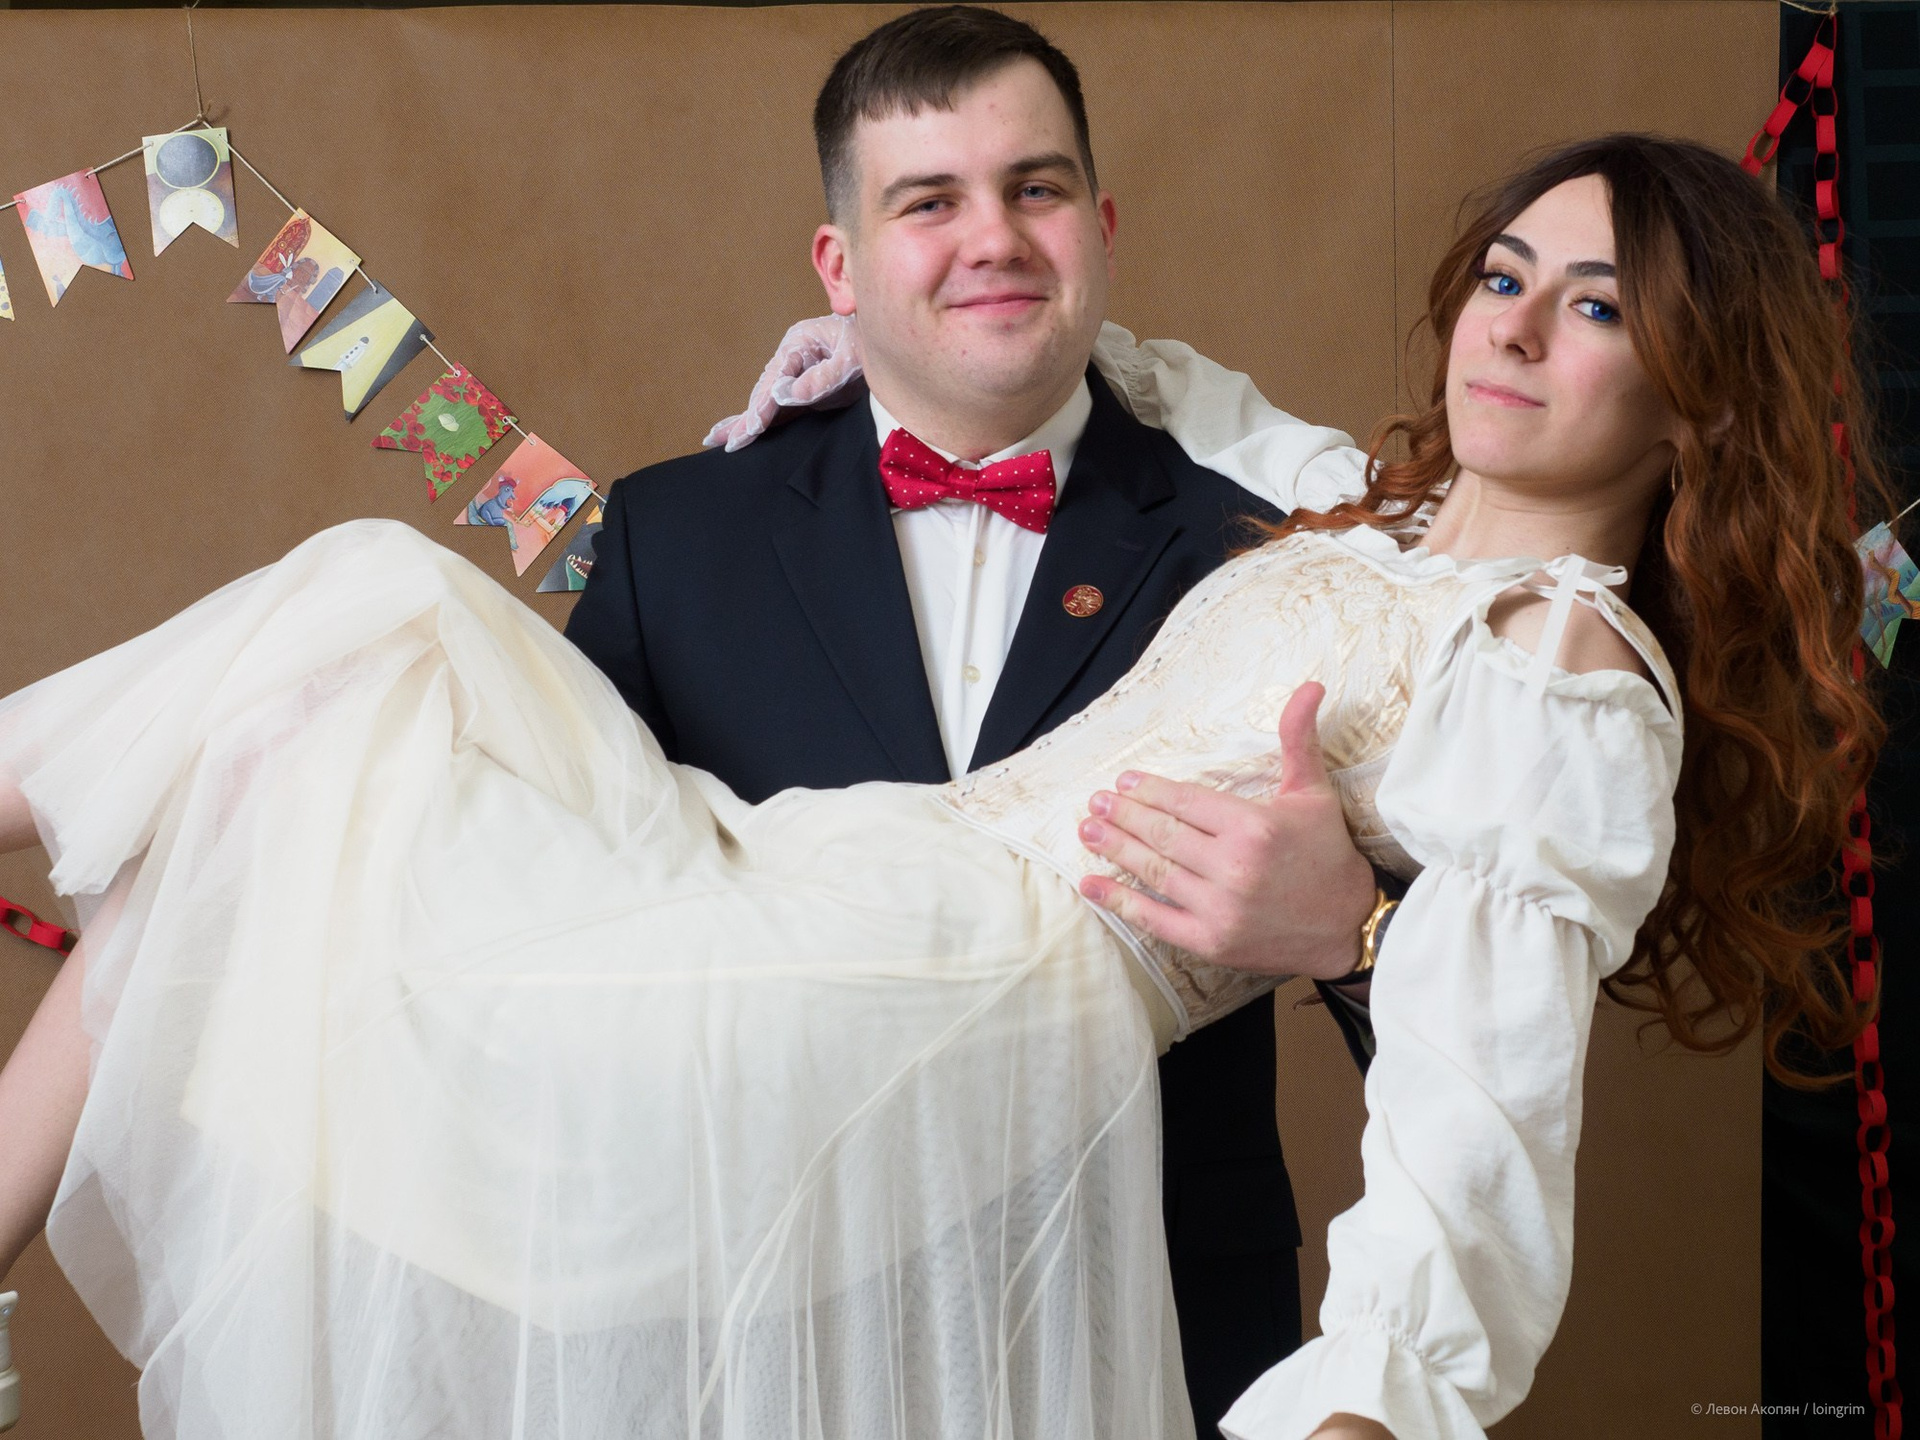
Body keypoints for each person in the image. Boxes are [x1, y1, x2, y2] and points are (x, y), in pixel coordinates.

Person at [0, 127, 1880, 1440]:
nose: (1517, 330)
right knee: (283, 740)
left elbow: (1487, 1092)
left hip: (953, 1001)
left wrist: (1372, 1399)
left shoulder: (1562, 672)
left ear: (1698, 393)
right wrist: (896, 331)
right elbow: (1175, 386)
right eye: (1505, 277)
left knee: (356, 633)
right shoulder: (1365, 514)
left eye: (1598, 309)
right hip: (848, 876)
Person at [562, 12, 1388, 1434]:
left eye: (1035, 187)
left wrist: (1354, 938)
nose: (992, 238)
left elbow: (1483, 1019)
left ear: (1102, 230)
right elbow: (562, 956)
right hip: (772, 1335)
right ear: (840, 266)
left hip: (1165, 1324)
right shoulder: (670, 541)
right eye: (928, 201)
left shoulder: (1273, 555)